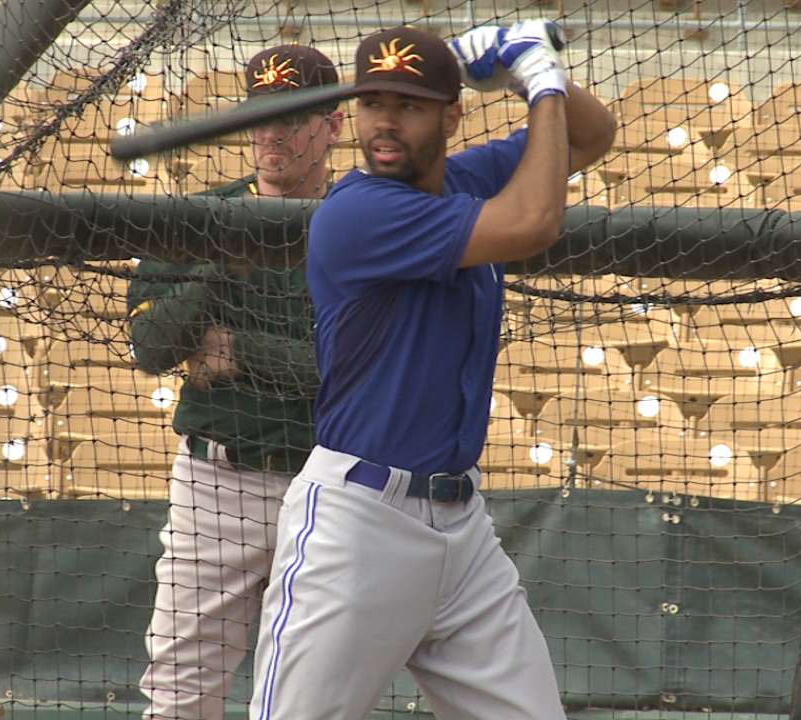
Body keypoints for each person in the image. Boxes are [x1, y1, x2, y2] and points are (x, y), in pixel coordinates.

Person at [246, 22, 616, 720]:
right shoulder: (357, 212)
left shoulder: (464, 179)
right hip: (359, 526)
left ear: (451, 115)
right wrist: (535, 77)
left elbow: (593, 135)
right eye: (371, 104)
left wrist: (529, 64)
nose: (384, 124)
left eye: (409, 107)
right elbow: (535, 220)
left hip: (461, 530)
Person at [129, 44, 342, 720]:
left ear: (333, 124)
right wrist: (219, 263)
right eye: (260, 114)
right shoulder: (200, 216)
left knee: (304, 701)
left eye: (292, 116)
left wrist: (239, 349)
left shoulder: (362, 219)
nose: (270, 132)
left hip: (329, 487)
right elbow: (152, 346)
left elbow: (352, 372)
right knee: (178, 694)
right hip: (215, 483)